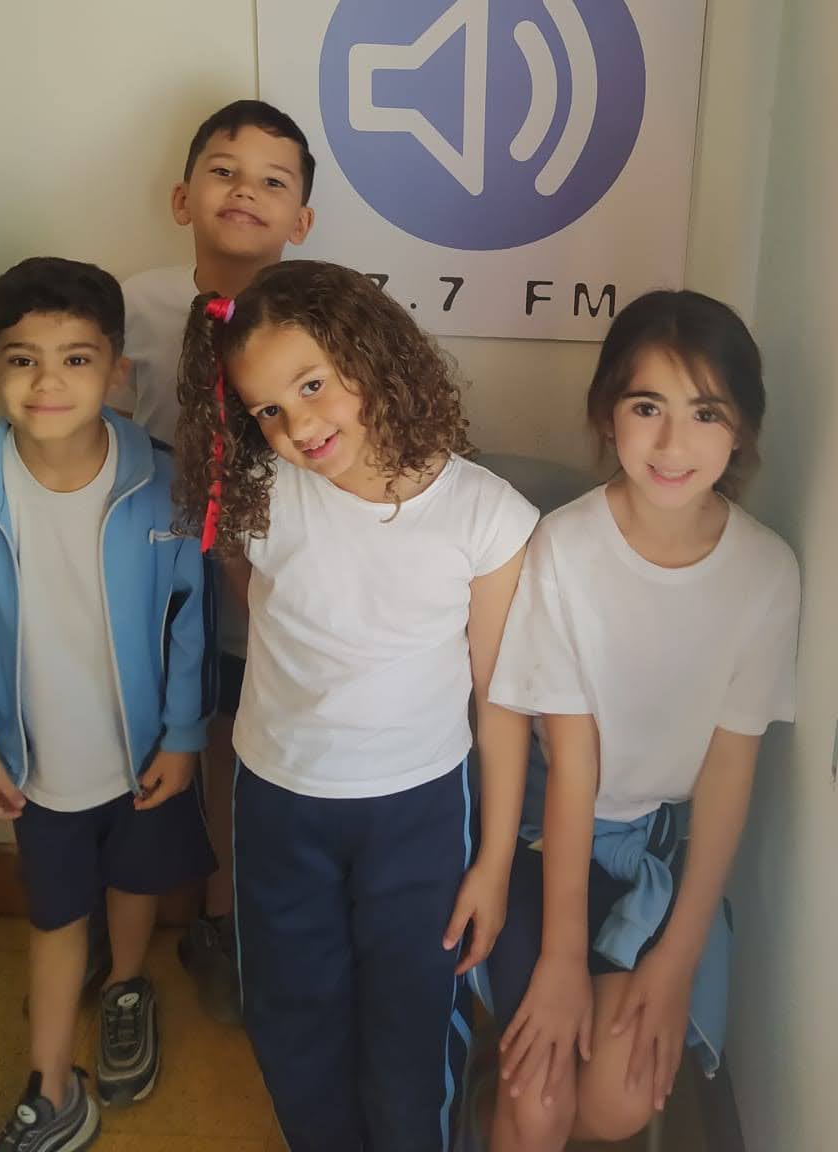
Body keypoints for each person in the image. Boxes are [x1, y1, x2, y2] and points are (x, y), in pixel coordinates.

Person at [171, 260, 539, 1152]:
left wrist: (493, 863)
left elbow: (501, 703)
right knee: (295, 1022)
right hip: (278, 804)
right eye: (268, 410)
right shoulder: (260, 493)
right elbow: (256, 597)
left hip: (417, 812)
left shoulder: (486, 516)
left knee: (411, 1035)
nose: (299, 426)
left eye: (312, 386)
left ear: (371, 354)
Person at [483, 289, 800, 1150]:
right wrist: (560, 958)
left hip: (656, 857)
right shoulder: (564, 547)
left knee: (617, 1104)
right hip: (549, 844)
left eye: (705, 413)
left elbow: (729, 771)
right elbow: (573, 766)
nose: (671, 444)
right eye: (647, 407)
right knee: (539, 1103)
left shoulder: (767, 572)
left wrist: (676, 957)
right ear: (607, 415)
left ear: (741, 430)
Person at [0, 257, 215, 1151]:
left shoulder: (163, 479)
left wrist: (184, 734)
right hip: (34, 759)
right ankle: (50, 1088)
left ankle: (126, 985)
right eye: (23, 359)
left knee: (134, 883)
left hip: (143, 750)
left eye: (76, 359)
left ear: (117, 370)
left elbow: (191, 619)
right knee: (54, 916)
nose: (48, 382)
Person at [110, 98, 314, 1019]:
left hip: (265, 579)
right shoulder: (129, 305)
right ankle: (159, 930)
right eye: (224, 171)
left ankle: (245, 921)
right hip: (154, 577)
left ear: (301, 220)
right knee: (168, 742)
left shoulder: (319, 316)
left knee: (248, 743)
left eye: (273, 181)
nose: (246, 192)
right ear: (181, 196)